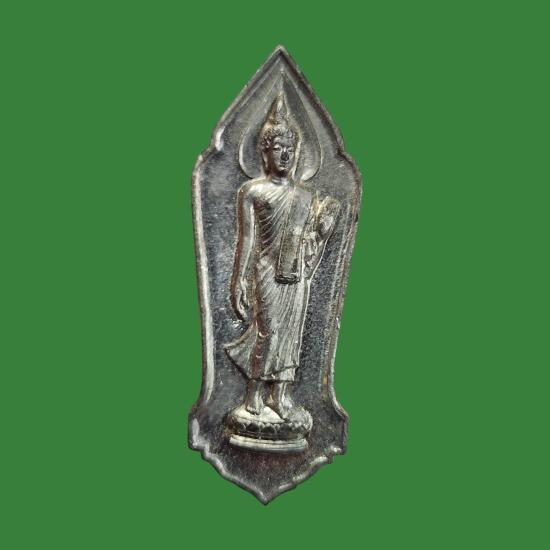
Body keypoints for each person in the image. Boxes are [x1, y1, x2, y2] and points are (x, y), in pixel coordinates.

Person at [225, 92, 340, 420]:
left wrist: (323, 229)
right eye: (278, 147)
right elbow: (247, 240)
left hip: (296, 273)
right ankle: (254, 392)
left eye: (291, 147)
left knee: (292, 333)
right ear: (265, 152)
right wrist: (239, 280)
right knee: (270, 331)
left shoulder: (306, 195)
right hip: (266, 270)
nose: (286, 154)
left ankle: (281, 396)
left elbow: (311, 241)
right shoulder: (253, 192)